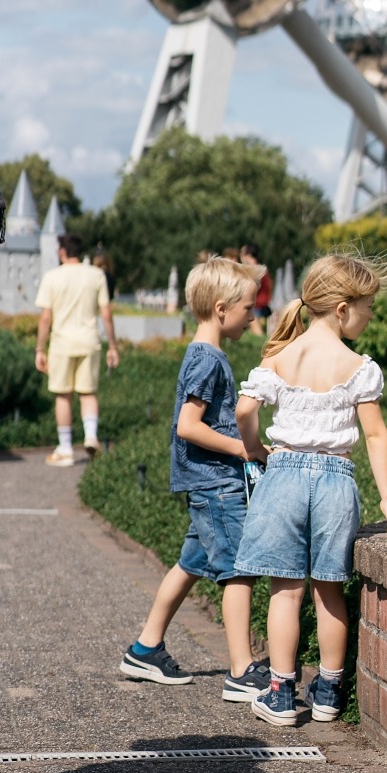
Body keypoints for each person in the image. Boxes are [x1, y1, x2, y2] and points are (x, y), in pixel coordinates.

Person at [233, 251, 387, 727]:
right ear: (341, 309)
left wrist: (255, 450)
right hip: (336, 478)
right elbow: (376, 435)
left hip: (284, 473)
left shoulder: (280, 355)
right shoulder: (359, 366)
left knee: (284, 592)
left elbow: (244, 412)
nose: (371, 315)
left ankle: (280, 692)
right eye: (368, 307)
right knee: (328, 590)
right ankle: (330, 691)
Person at [119, 255, 272, 703]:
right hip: (216, 483)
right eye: (248, 308)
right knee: (237, 572)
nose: (253, 315)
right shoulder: (207, 359)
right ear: (222, 309)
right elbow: (189, 425)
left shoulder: (206, 354)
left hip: (208, 481)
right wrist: (244, 449)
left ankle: (145, 648)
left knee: (191, 563)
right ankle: (242, 670)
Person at [35, 232, 119, 465]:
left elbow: (45, 318)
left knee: (63, 395)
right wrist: (112, 346)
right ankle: (91, 437)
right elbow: (106, 314)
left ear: (62, 252)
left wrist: (39, 349)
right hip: (89, 340)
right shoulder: (96, 275)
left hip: (62, 343)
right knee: (88, 393)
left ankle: (65, 449)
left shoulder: (52, 277)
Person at [241, 243, 273, 336]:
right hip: (262, 305)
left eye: (242, 254)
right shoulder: (262, 268)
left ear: (248, 255)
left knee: (255, 327)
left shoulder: (254, 270)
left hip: (257, 305)